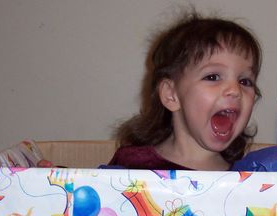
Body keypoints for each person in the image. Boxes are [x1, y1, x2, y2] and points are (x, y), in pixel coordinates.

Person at [109, 11, 262, 171]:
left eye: (245, 81)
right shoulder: (132, 165)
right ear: (171, 95)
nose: (235, 90)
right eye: (213, 77)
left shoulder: (249, 176)